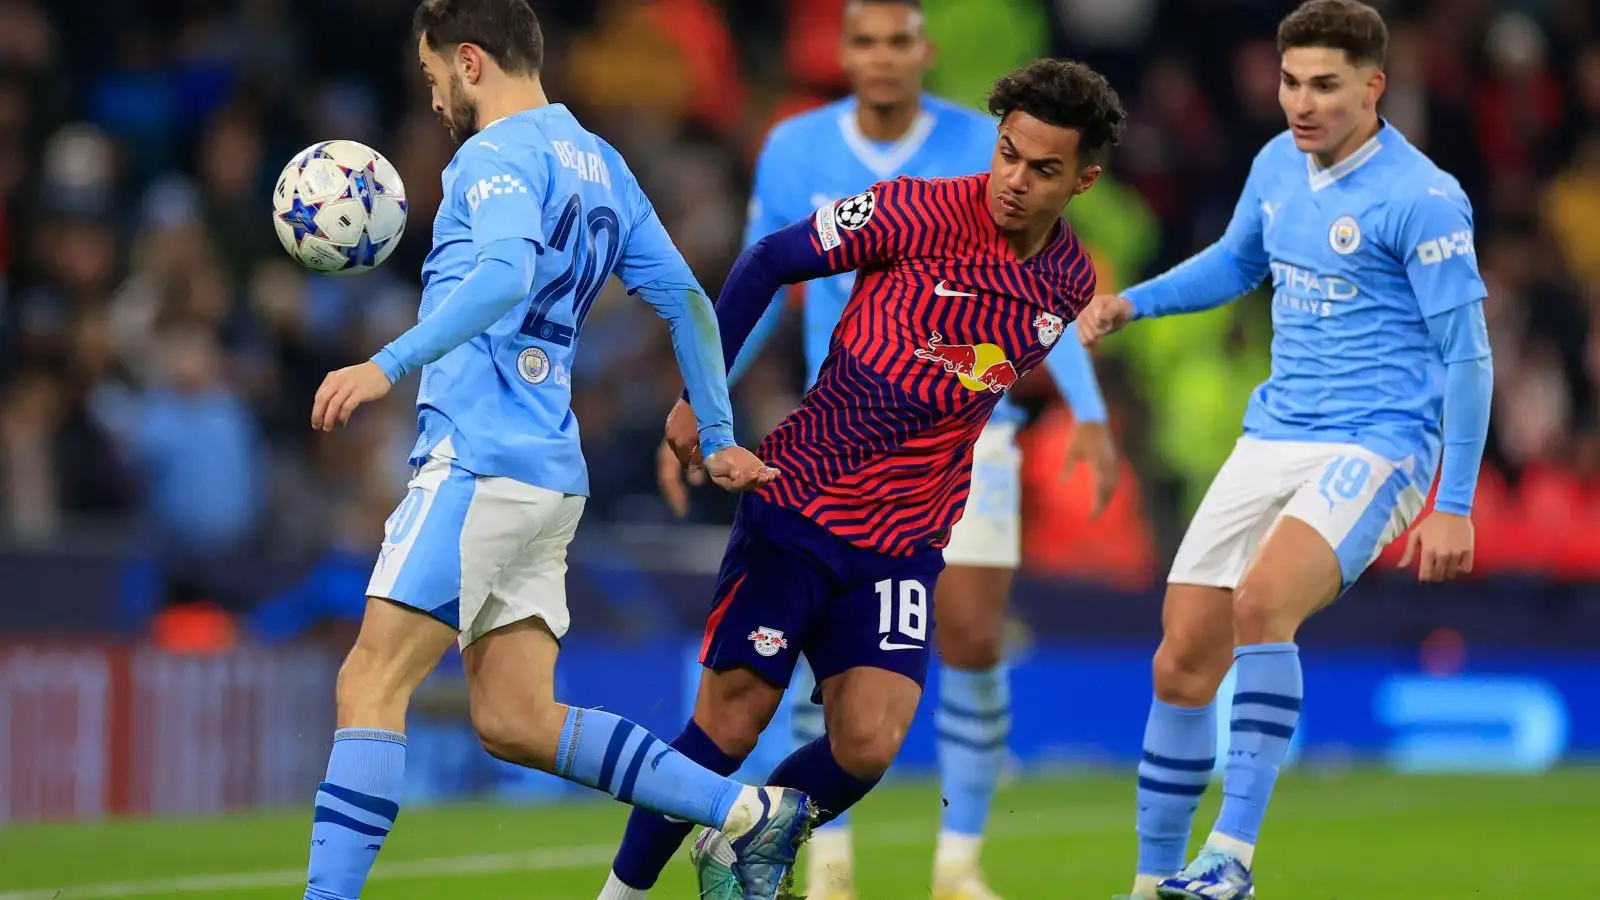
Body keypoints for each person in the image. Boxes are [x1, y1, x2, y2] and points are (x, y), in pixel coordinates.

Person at [297, 2, 812, 899]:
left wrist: (387, 364)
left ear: (469, 61)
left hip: (477, 462)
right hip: (548, 480)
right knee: (517, 719)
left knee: (370, 681)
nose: (430, 99)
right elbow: (691, 299)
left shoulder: (491, 158)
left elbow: (502, 271)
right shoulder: (605, 165)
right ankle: (745, 814)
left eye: (430, 77)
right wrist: (720, 433)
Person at [599, 57, 1126, 900]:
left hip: (904, 543)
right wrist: (704, 395)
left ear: (1084, 180)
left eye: (1044, 169)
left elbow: (969, 386)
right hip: (799, 502)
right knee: (732, 718)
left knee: (869, 745)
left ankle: (744, 840)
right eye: (1008, 154)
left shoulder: (1066, 283)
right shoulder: (911, 207)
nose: (1015, 181)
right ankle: (619, 896)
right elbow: (769, 259)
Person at [1075, 2, 1493, 898]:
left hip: (1380, 442)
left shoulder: (1422, 198)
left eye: (1326, 85)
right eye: (1291, 81)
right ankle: (1153, 884)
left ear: (1373, 86)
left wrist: (1453, 500)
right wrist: (1131, 303)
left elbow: (1468, 355)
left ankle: (1232, 857)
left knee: (1264, 603)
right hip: (1274, 432)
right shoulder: (1276, 163)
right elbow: (1235, 262)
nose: (1301, 103)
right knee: (1181, 654)